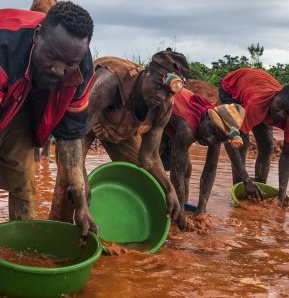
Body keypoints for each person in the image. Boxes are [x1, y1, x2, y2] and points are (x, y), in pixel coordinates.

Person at [0, 2, 98, 273]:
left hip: (23, 99)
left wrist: (81, 205)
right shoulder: (0, 47)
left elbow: (71, 138)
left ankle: (23, 266)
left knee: (24, 183)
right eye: (53, 57)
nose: (59, 70)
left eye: (69, 63)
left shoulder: (80, 66)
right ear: (37, 37)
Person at [50, 50, 190, 228]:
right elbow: (71, 138)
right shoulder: (109, 82)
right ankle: (61, 232)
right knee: (72, 185)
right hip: (80, 128)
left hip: (120, 129)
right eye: (157, 85)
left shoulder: (164, 106)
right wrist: (81, 185)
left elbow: (150, 156)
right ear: (146, 72)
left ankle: (132, 229)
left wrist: (169, 189)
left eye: (169, 93)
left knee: (147, 182)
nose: (161, 97)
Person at [219, 68, 289, 206]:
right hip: (232, 87)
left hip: (260, 94)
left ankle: (259, 185)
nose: (280, 114)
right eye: (280, 106)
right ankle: (239, 186)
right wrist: (246, 180)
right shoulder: (256, 104)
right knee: (242, 142)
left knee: (267, 145)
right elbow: (231, 142)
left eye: (287, 112)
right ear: (275, 96)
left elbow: (287, 155)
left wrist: (281, 194)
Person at [161, 88, 246, 217]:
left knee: (187, 171)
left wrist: (201, 208)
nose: (210, 139)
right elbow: (176, 174)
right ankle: (175, 209)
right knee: (155, 165)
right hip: (155, 106)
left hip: (172, 123)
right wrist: (181, 214)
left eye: (217, 139)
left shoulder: (218, 130)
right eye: (211, 131)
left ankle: (181, 205)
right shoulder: (187, 130)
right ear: (207, 116)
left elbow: (210, 168)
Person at [27, 0, 57, 161]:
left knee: (35, 111)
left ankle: (38, 159)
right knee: (44, 111)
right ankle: (44, 158)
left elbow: (42, 33)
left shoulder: (43, 3)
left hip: (44, 62)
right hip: (51, 60)